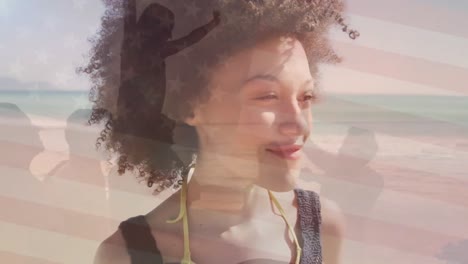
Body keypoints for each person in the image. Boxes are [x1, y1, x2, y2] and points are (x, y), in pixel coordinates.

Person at [78, 0, 360, 263]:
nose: (299, 124)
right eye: (267, 96)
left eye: (305, 97)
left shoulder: (321, 226)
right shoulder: (128, 254)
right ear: (188, 104)